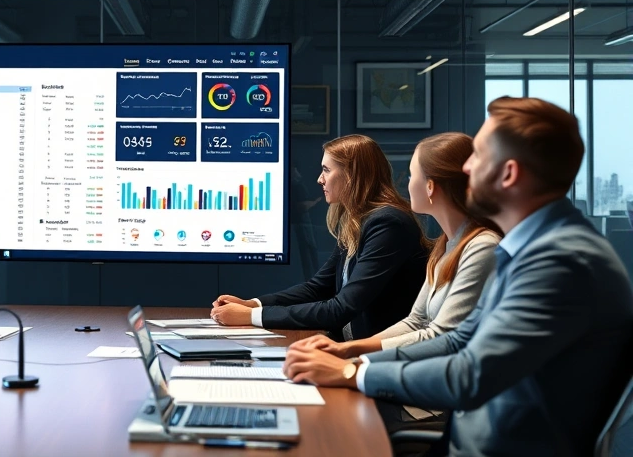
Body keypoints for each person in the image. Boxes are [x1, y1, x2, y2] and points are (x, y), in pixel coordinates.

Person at [283, 97, 633, 457]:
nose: (465, 169)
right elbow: (457, 339)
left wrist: (349, 374)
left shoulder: (561, 261)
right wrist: (351, 359)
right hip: (471, 437)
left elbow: (470, 376)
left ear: (509, 174)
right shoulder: (529, 247)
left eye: (477, 156)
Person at [294, 132, 501, 435]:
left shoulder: (482, 247)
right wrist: (347, 350)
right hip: (415, 390)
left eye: (413, 175)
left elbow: (441, 336)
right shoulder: (446, 246)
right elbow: (416, 321)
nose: (405, 184)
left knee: (327, 427)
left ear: (430, 187)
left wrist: (353, 362)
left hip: (433, 403)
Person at [211, 135, 429, 340]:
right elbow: (317, 288)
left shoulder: (388, 224)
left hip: (378, 359)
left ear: (352, 175)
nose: (319, 179)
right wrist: (252, 304)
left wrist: (251, 317)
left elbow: (340, 309)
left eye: (326, 170)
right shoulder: (359, 221)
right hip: (350, 350)